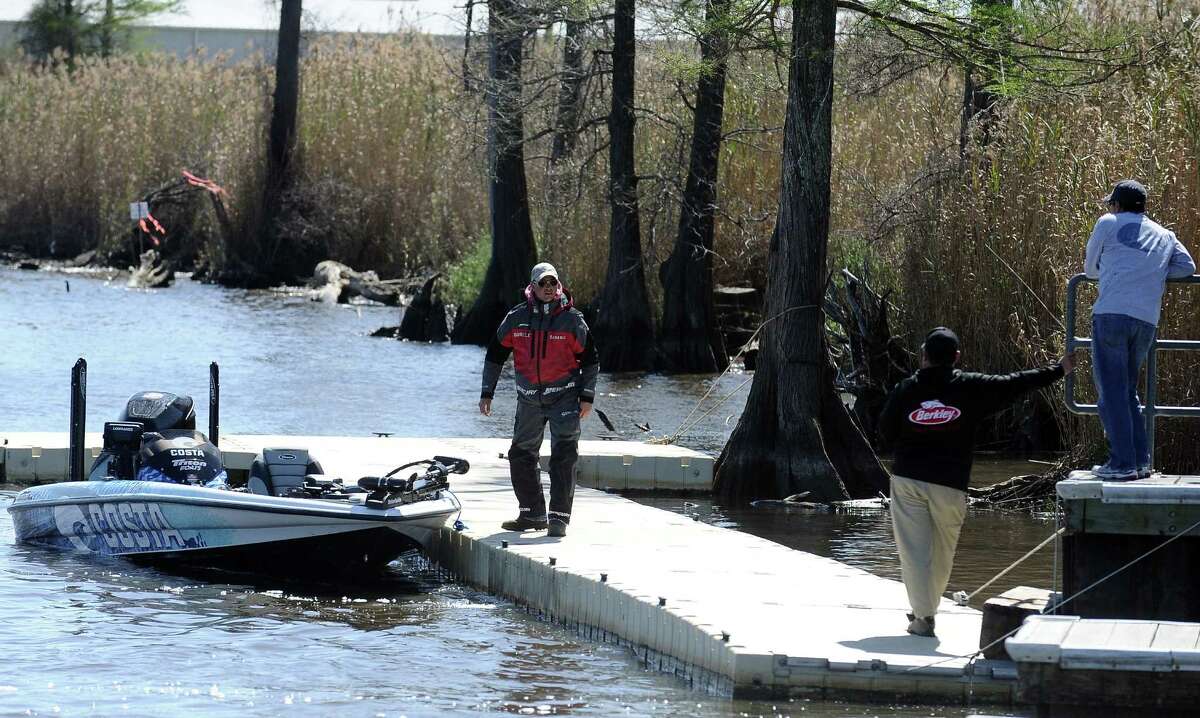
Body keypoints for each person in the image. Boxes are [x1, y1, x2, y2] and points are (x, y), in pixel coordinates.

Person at [879, 327, 1076, 638]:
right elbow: (1017, 382)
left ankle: (923, 616)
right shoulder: (971, 387)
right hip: (950, 484)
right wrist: (1059, 369)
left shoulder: (905, 389)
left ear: (923, 356)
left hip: (908, 480)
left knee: (913, 553)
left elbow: (885, 432)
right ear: (956, 357)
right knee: (943, 553)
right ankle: (924, 612)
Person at [1084, 179, 1195, 480]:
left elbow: (1090, 269)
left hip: (1111, 314)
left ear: (1117, 205)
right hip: (1146, 319)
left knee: (1111, 391)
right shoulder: (1166, 234)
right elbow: (1187, 267)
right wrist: (1154, 272)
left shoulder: (1107, 222)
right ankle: (1140, 461)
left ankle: (1122, 464)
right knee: (1128, 391)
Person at [479, 262, 598, 538]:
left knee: (563, 456)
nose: (548, 288)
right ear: (532, 286)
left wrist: (587, 396)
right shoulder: (516, 318)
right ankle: (532, 513)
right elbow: (495, 355)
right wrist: (487, 392)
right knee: (520, 455)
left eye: (553, 284)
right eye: (543, 283)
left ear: (559, 287)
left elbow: (591, 361)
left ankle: (558, 519)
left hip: (565, 398)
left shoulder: (573, 320)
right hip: (529, 400)